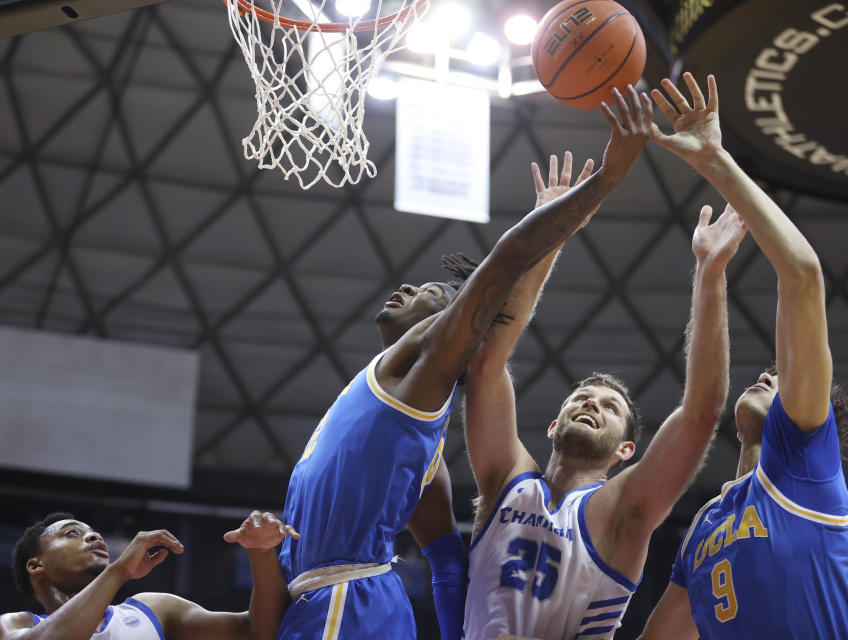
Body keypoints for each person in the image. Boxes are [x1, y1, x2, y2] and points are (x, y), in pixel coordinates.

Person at [275, 85, 655, 640]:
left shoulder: (427, 373)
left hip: (346, 603)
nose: (408, 285)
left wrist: (600, 187)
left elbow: (502, 267)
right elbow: (450, 562)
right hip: (320, 598)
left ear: (453, 324)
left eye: (432, 290)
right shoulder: (417, 443)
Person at [458, 125, 748, 637]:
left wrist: (710, 272)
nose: (592, 404)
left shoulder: (622, 511)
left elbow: (702, 411)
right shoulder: (507, 479)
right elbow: (486, 364)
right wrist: (551, 228)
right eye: (582, 398)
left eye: (609, 407)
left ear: (625, 450)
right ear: (552, 426)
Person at [637, 73, 848, 639]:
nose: (766, 372)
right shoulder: (705, 524)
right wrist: (710, 269)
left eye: (780, 379)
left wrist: (715, 161)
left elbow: (801, 276)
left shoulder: (803, 460)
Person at [0, 510, 298, 640]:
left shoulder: (154, 610)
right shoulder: (12, 626)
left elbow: (260, 632)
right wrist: (119, 571)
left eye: (94, 533)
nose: (94, 537)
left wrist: (260, 553)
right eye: (72, 533)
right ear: (35, 565)